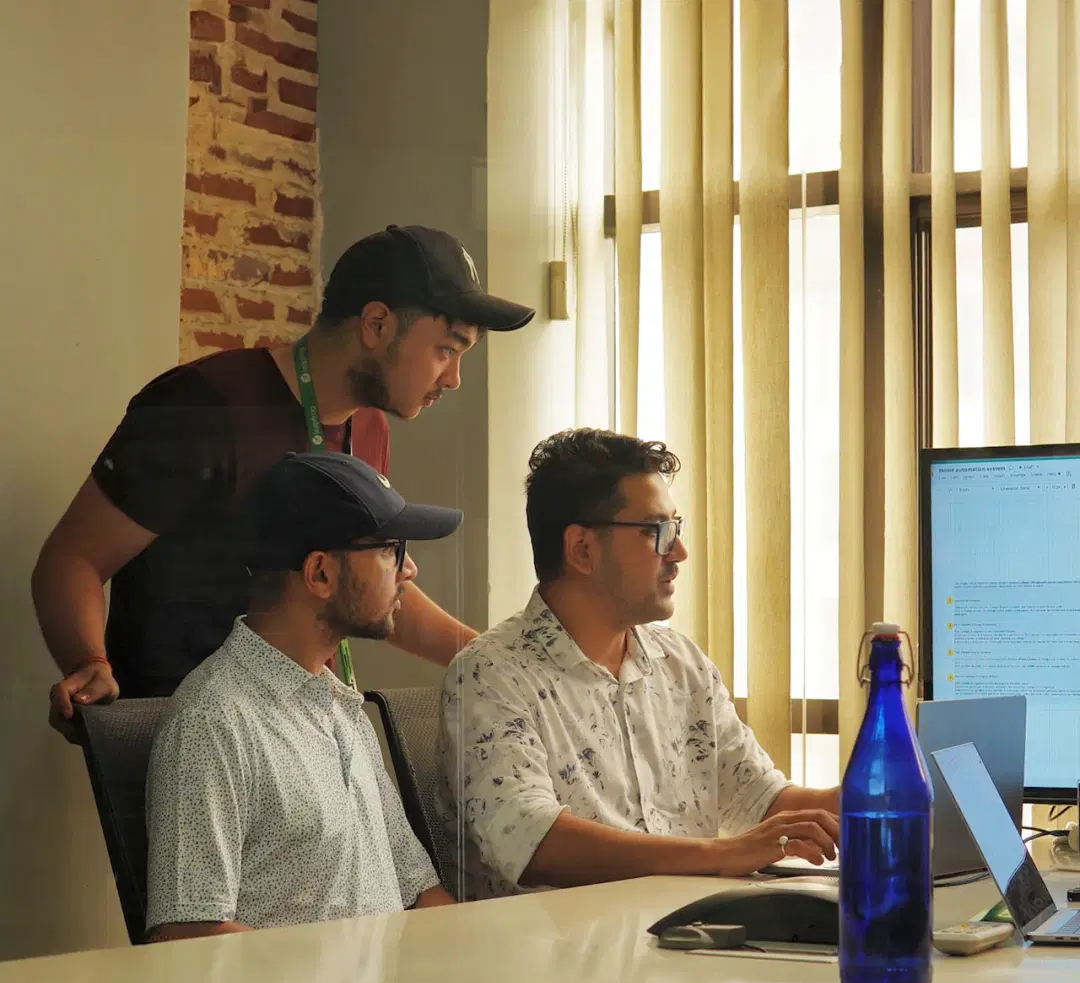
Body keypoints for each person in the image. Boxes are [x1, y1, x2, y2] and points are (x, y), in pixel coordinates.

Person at [33, 224, 534, 738]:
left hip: (303, 737)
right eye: (447, 351)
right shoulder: (202, 406)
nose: (453, 380)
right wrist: (88, 660)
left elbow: (371, 583)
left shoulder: (369, 427)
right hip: (185, 737)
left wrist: (491, 659)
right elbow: (74, 558)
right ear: (377, 325)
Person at [438, 428, 840, 900]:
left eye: (676, 527)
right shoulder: (489, 675)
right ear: (582, 550)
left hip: (689, 944)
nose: (679, 553)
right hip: (556, 960)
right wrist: (719, 856)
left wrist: (879, 796)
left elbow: (760, 799)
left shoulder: (681, 664)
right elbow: (535, 841)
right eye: (657, 532)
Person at [145, 450, 459, 940]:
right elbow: (188, 935)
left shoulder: (341, 708)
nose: (408, 569)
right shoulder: (213, 721)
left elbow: (418, 888)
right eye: (389, 549)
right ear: (319, 574)